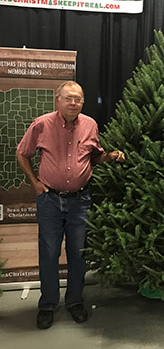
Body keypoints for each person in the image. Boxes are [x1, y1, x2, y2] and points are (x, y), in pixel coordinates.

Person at [17, 81, 125, 330]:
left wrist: (108, 157)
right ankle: (47, 305)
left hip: (80, 201)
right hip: (49, 200)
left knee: (78, 254)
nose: (73, 103)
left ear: (82, 102)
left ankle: (75, 301)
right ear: (58, 100)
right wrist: (34, 182)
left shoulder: (90, 125)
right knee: (49, 254)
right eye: (68, 98)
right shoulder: (41, 124)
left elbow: (94, 157)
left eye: (77, 99)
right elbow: (22, 153)